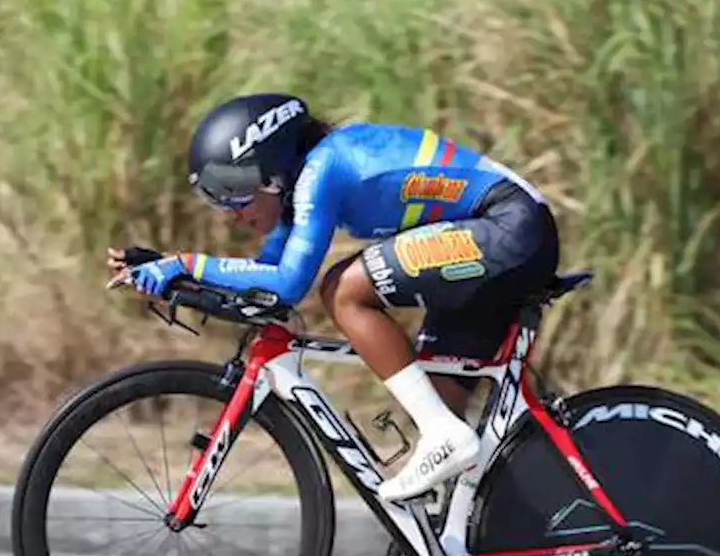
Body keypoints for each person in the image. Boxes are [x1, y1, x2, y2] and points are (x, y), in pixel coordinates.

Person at [107, 93, 560, 503]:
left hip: (509, 226)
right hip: (494, 238)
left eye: (233, 192)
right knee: (442, 413)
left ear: (270, 172)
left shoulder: (324, 170)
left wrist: (186, 263)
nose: (231, 213)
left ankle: (442, 433)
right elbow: (265, 282)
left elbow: (289, 285)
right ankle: (470, 546)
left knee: (343, 290)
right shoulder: (300, 186)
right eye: (217, 198)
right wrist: (166, 268)